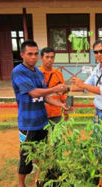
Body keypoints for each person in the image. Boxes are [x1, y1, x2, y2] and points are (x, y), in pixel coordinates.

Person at [11, 40, 68, 187]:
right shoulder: (18, 71)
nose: (33, 57)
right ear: (22, 54)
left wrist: (60, 104)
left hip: (42, 122)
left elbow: (45, 97)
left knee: (41, 152)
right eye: (30, 54)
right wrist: (55, 89)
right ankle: (21, 183)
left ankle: (38, 178)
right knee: (26, 155)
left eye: (36, 54)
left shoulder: (37, 72)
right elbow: (34, 93)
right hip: (28, 123)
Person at [72, 40, 102, 171]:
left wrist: (83, 85)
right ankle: (99, 169)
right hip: (98, 112)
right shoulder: (97, 69)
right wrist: (67, 89)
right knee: (98, 143)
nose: (99, 54)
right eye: (96, 52)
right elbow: (86, 87)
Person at [39, 47, 69, 123]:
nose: (50, 59)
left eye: (52, 57)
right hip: (41, 113)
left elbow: (63, 94)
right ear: (41, 58)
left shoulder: (58, 74)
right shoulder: (37, 74)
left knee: (57, 134)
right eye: (47, 57)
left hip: (56, 112)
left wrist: (66, 109)